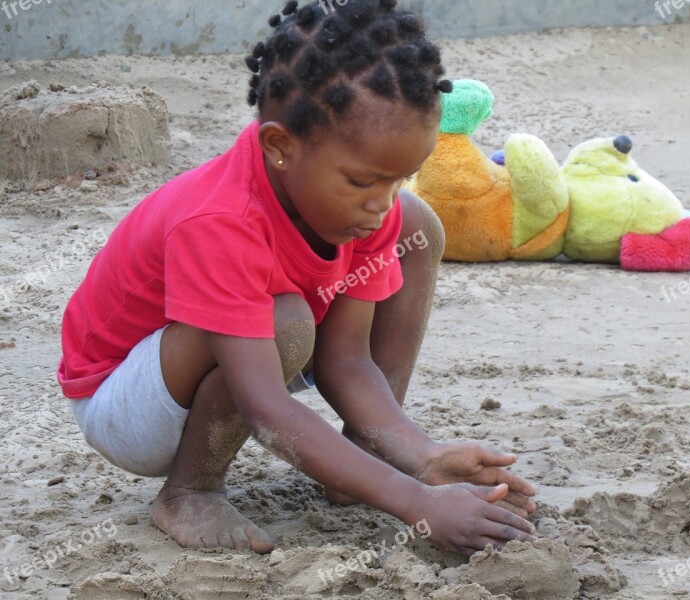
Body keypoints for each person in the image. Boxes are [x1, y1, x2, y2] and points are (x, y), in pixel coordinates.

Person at [58, 0, 537, 555]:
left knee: (416, 226)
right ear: (281, 147)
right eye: (361, 181)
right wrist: (416, 504)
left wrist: (420, 456)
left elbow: (346, 361)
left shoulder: (370, 208)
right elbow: (265, 407)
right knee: (285, 317)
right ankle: (189, 490)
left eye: (398, 178)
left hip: (245, 356)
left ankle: (367, 450)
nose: (380, 204)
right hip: (127, 403)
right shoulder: (220, 221)